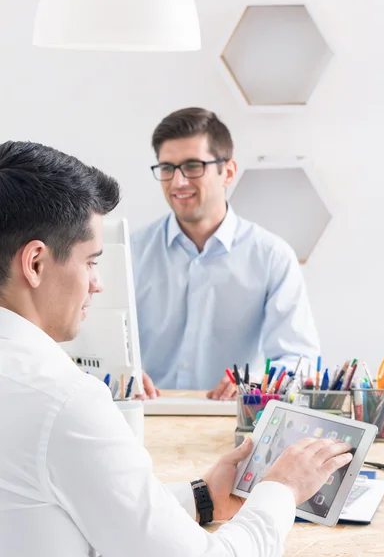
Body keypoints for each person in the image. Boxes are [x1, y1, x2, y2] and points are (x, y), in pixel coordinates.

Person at [0, 140, 352, 557]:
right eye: (91, 262)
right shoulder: (64, 402)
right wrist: (281, 489)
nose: (98, 283)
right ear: (36, 263)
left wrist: (201, 496)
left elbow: (76, 501)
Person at [131, 108, 320, 400]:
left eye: (193, 166)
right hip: (144, 416)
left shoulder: (272, 256)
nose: (178, 182)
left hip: (233, 419)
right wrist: (122, 373)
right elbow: (94, 348)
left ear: (228, 172)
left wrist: (255, 382)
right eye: (167, 168)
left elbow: (298, 359)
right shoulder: (131, 252)